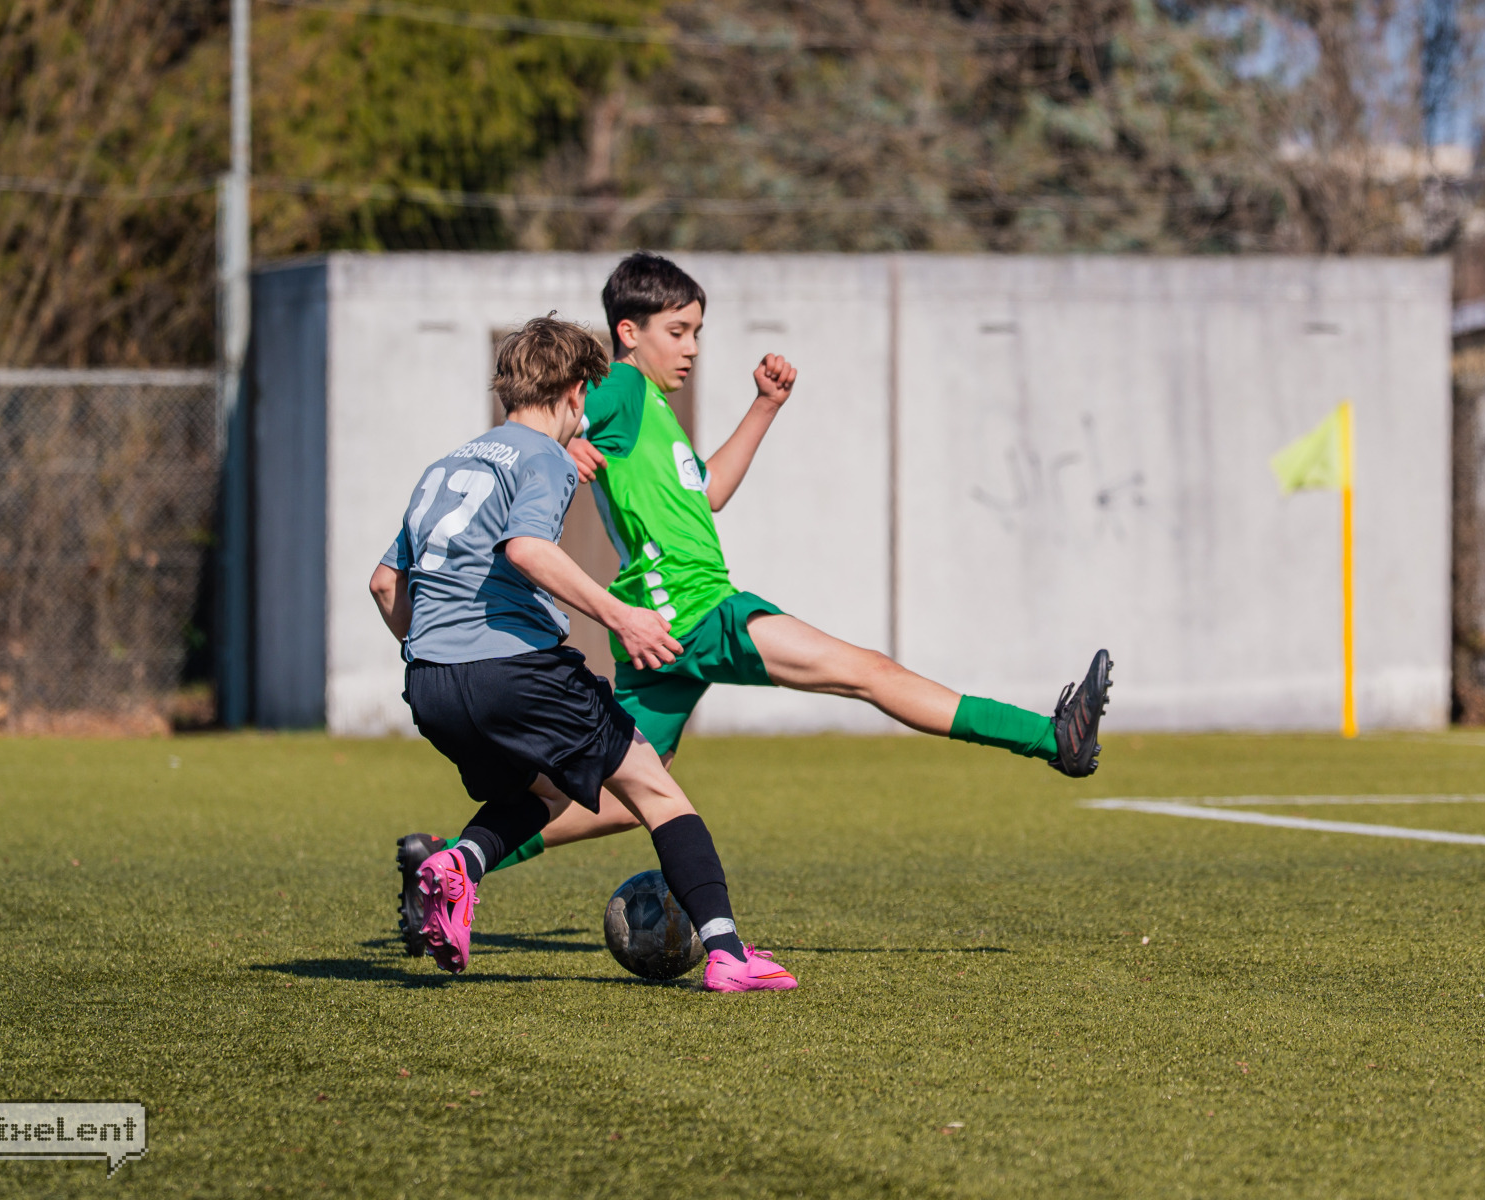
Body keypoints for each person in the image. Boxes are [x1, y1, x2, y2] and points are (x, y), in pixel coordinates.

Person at [396, 253, 1112, 952]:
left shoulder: (652, 410)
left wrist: (765, 406)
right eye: (678, 331)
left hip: (661, 628)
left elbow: (707, 493)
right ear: (628, 333)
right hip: (696, 609)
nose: (692, 348)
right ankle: (1053, 739)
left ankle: (450, 860)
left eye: (697, 332)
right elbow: (558, 419)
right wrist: (573, 445)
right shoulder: (620, 387)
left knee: (628, 798)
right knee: (868, 672)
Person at [370, 314, 796, 992]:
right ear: (575, 393)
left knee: (545, 791)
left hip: (431, 685)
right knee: (658, 791)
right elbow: (527, 550)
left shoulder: (445, 466)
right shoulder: (543, 456)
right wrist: (621, 616)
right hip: (516, 672)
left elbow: (384, 584)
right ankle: (727, 955)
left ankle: (457, 865)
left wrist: (442, 658)